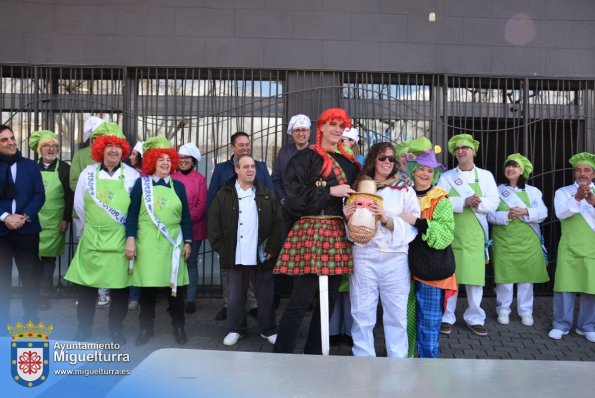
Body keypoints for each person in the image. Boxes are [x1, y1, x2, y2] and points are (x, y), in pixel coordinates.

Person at [273, 108, 359, 355]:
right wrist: (329, 192)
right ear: (320, 127)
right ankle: (281, 354)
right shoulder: (304, 159)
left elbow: (357, 194)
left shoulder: (350, 164)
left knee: (328, 300)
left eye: (341, 127)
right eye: (332, 124)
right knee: (301, 299)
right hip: (310, 229)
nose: (337, 130)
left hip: (335, 230)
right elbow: (293, 197)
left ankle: (314, 353)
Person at [65, 122, 139, 343]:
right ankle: (84, 328)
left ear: (123, 149)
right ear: (100, 148)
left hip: (119, 241)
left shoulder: (133, 175)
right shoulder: (87, 174)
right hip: (92, 239)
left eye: (118, 146)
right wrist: (96, 227)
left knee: (119, 289)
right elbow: (79, 206)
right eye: (109, 146)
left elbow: (135, 210)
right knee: (87, 288)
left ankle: (116, 329)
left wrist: (129, 238)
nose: (113, 150)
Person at [344, 142, 419, 358]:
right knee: (361, 313)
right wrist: (348, 217)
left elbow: (415, 223)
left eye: (391, 159)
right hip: (364, 255)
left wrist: (387, 220)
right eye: (382, 158)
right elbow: (350, 231)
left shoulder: (404, 188)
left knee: (396, 315)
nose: (387, 162)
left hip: (395, 258)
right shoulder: (359, 187)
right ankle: (363, 360)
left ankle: (398, 363)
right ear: (373, 160)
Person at [208, 154, 281, 346]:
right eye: (245, 166)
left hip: (261, 255)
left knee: (265, 295)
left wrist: (272, 248)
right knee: (235, 296)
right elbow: (213, 224)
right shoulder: (224, 194)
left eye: (253, 167)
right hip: (234, 255)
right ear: (236, 170)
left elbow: (277, 224)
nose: (250, 170)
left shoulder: (266, 194)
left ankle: (268, 330)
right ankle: (235, 329)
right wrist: (222, 249)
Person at [125, 136, 192, 346]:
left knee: (176, 290)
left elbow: (186, 218)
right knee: (147, 290)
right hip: (147, 244)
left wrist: (188, 241)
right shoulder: (140, 185)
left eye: (168, 159)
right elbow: (132, 215)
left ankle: (179, 327)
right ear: (152, 161)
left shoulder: (179, 187)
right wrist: (131, 240)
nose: (165, 163)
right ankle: (146, 328)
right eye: (160, 159)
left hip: (173, 244)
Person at [207, 131, 274, 321]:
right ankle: (229, 306)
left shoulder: (260, 167)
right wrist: (216, 238)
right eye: (241, 144)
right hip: (229, 232)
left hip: (255, 230)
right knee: (229, 272)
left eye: (247, 144)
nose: (245, 147)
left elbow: (272, 194)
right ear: (232, 147)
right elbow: (212, 201)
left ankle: (253, 304)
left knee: (253, 269)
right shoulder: (221, 169)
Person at [437, 133, 499, 336]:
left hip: (475, 235)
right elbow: (439, 202)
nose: (461, 151)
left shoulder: (486, 176)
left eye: (465, 147)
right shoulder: (446, 177)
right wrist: (464, 202)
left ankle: (475, 318)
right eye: (457, 149)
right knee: (450, 277)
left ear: (473, 151)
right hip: (452, 234)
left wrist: (478, 202)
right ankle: (447, 317)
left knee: (475, 279)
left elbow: (494, 202)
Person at [404, 142, 457, 358]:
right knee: (405, 320)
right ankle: (405, 362)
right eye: (421, 168)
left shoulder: (440, 198)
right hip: (403, 267)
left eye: (430, 170)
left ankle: (428, 369)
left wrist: (418, 222)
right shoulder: (403, 193)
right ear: (412, 170)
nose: (425, 173)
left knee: (428, 322)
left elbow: (445, 234)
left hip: (430, 269)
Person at [488, 154, 549, 327]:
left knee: (526, 279)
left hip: (528, 242)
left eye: (515, 166)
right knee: (505, 279)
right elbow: (490, 215)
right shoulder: (496, 190)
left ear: (522, 171)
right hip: (504, 240)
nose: (510, 169)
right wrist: (506, 215)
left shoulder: (533, 191)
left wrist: (525, 212)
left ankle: (526, 312)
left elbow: (543, 213)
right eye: (508, 165)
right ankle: (503, 310)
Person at [0, 125, 45, 327]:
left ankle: (31, 318)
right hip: (1, 231)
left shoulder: (30, 165)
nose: (11, 142)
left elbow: (39, 195)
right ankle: (2, 320)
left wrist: (23, 217)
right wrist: (5, 217)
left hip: (27, 230)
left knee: (30, 277)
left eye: (12, 138)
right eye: (4, 140)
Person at [548, 152, 595, 343]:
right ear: (574, 173)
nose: (582, 173)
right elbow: (560, 213)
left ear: (593, 173)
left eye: (587, 170)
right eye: (579, 170)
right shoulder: (563, 191)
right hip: (569, 247)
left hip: (592, 248)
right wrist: (576, 198)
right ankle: (561, 324)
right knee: (564, 287)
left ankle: (587, 326)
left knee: (591, 288)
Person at [29, 130, 74, 311]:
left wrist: (66, 218)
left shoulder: (65, 169)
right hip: (32, 218)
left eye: (54, 146)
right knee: (31, 258)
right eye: (47, 146)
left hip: (55, 220)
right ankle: (31, 293)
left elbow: (70, 196)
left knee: (49, 259)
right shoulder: (31, 168)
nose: (51, 149)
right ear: (39, 149)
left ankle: (44, 295)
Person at [70, 115, 111, 309]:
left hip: (109, 216)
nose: (98, 140)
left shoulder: (112, 154)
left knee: (106, 254)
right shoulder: (80, 155)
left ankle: (104, 293)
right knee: (85, 253)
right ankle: (86, 293)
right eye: (95, 137)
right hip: (83, 214)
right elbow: (73, 182)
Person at [272, 114, 312, 307]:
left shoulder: (316, 152)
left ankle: (304, 299)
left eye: (304, 130)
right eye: (297, 130)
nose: (301, 133)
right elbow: (276, 179)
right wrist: (282, 199)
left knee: (307, 254)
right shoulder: (284, 153)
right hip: (287, 211)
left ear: (309, 132)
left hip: (309, 212)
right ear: (291, 133)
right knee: (284, 252)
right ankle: (277, 296)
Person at [172, 142, 207, 314]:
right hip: (172, 229)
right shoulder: (171, 177)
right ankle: (175, 298)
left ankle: (191, 299)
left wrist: (183, 219)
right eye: (181, 158)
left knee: (191, 264)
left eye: (187, 158)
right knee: (174, 264)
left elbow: (201, 206)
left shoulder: (200, 179)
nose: (183, 160)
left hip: (194, 229)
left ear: (193, 161)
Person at [127, 141, 143, 311]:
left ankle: (139, 296)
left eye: (133, 154)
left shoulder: (148, 176)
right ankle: (132, 295)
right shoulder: (129, 174)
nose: (130, 157)